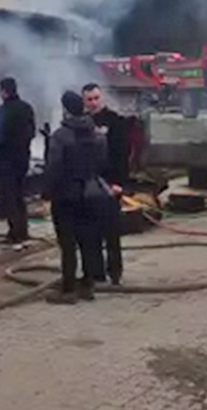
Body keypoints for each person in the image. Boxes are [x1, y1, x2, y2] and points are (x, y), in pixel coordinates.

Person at [43, 91, 108, 304]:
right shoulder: (96, 134)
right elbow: (101, 163)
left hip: (66, 196)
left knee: (68, 243)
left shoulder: (61, 136)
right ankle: (87, 285)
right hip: (90, 193)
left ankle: (68, 288)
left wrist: (47, 192)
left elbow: (54, 167)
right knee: (88, 240)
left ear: (65, 109)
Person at [81, 83, 128, 286]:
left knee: (112, 233)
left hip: (110, 185)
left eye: (96, 98)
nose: (93, 103)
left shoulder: (115, 122)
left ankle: (115, 272)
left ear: (102, 98)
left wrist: (119, 183)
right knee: (91, 232)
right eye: (89, 99)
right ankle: (96, 272)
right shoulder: (82, 123)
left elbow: (122, 155)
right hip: (89, 186)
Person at [0, 77, 35, 244]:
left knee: (9, 196)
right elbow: (31, 133)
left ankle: (14, 232)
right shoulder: (27, 108)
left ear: (4, 91)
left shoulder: (4, 111)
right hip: (22, 158)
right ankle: (23, 230)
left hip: (6, 160)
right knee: (19, 195)